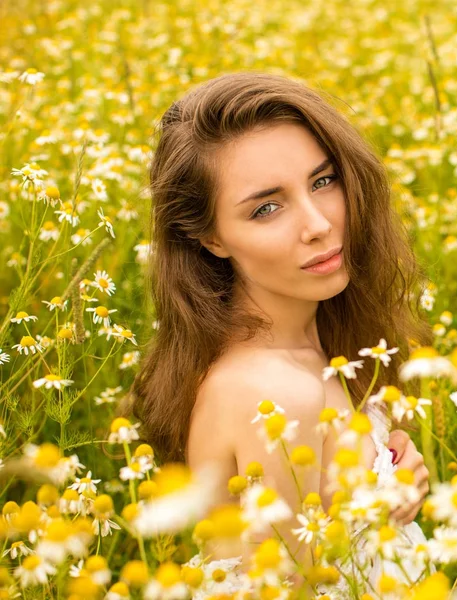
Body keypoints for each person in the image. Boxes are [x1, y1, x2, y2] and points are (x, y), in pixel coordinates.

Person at [128, 71, 434, 594]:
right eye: (266, 208)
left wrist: (388, 473)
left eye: (323, 181)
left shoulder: (311, 351)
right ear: (211, 238)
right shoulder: (275, 394)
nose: (317, 223)